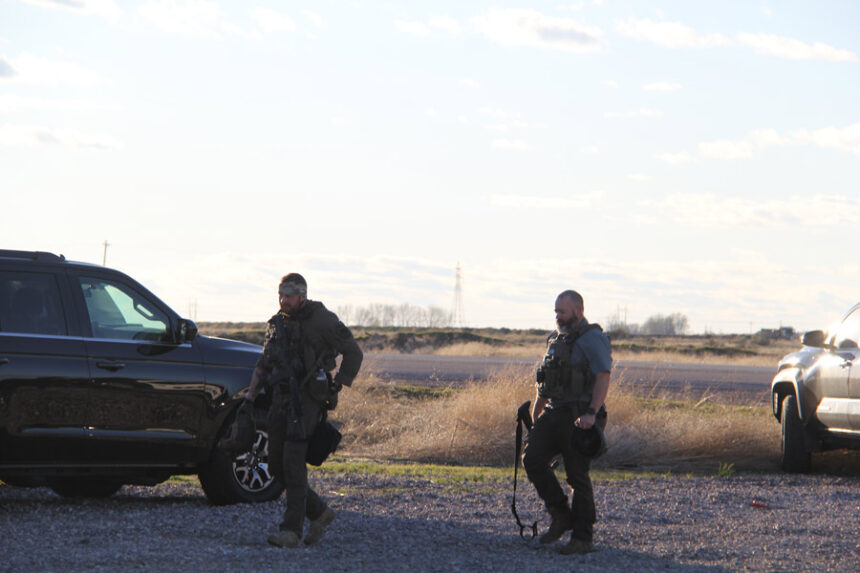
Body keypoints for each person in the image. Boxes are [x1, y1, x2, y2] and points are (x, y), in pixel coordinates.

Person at [243, 272, 363, 548]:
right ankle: (319, 513)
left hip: (306, 402)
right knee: (275, 463)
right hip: (279, 399)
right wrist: (250, 397)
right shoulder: (277, 323)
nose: (284, 300)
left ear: (302, 296)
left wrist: (339, 384)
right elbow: (263, 364)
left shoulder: (323, 320)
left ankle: (291, 531)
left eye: (289, 296)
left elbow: (354, 352)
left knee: (293, 463)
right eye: (280, 295)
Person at [522, 289, 611, 555]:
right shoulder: (555, 339)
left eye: (562, 311)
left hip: (580, 415)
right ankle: (561, 515)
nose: (557, 316)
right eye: (556, 311)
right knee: (532, 459)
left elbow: (603, 377)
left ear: (578, 311)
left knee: (577, 475)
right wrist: (537, 412)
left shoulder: (593, 338)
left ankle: (583, 537)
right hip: (554, 411)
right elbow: (546, 382)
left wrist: (591, 413)